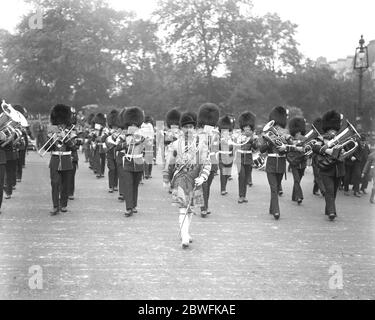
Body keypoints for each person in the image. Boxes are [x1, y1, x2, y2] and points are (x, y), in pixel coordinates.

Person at [163, 111, 211, 249]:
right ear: (181, 128)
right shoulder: (175, 144)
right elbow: (169, 163)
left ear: (194, 128)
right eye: (185, 127)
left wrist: (203, 177)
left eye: (191, 127)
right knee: (183, 209)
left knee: (190, 209)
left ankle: (186, 232)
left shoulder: (201, 144)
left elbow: (206, 162)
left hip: (195, 179)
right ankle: (184, 236)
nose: (188, 129)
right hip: (180, 178)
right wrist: (166, 179)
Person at [259, 106, 301, 220]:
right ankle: (276, 211)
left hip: (281, 164)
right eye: (274, 125)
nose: (276, 127)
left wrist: (285, 147)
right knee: (273, 188)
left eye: (277, 125)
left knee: (277, 188)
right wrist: (268, 142)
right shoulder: (267, 134)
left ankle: (272, 208)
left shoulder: (286, 134)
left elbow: (293, 148)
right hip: (271, 163)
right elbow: (261, 149)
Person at [311, 110, 346, 221]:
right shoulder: (321, 138)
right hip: (326, 169)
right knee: (329, 190)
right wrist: (327, 150)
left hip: (338, 169)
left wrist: (344, 152)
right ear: (327, 127)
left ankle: (328, 209)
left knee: (334, 191)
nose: (333, 132)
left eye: (334, 129)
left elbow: (345, 151)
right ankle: (332, 212)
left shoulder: (340, 139)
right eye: (331, 129)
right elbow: (315, 147)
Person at [115, 107, 146, 217]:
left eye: (135, 124)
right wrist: (125, 143)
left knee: (135, 185)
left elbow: (145, 146)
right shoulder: (123, 135)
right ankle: (128, 208)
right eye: (131, 124)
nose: (133, 126)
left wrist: (138, 138)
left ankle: (134, 205)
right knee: (128, 185)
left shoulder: (142, 135)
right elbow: (116, 147)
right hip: (127, 162)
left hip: (138, 162)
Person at [46, 104, 74, 215]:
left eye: (62, 123)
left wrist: (65, 137)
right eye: (59, 123)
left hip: (67, 159)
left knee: (65, 184)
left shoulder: (71, 131)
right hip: (55, 159)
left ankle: (63, 204)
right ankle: (55, 206)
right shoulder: (52, 131)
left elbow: (74, 147)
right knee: (55, 183)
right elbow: (46, 147)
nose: (60, 125)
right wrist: (52, 139)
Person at [196, 103, 220, 217]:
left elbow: (216, 148)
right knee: (203, 184)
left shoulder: (216, 133)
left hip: (212, 161)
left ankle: (204, 205)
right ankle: (203, 208)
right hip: (201, 161)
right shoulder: (198, 132)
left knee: (207, 185)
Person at [234, 111, 258, 204]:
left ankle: (244, 196)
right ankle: (240, 196)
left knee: (246, 177)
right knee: (241, 176)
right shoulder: (238, 135)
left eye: (249, 126)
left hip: (248, 157)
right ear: (243, 126)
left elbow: (256, 148)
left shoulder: (253, 136)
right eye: (245, 126)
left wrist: (254, 141)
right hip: (240, 157)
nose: (247, 128)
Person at [287, 117, 307, 205]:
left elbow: (307, 150)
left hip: (302, 163)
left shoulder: (304, 139)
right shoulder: (290, 139)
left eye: (300, 132)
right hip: (294, 163)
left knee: (298, 180)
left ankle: (293, 196)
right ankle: (299, 196)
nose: (298, 134)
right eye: (297, 132)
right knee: (297, 180)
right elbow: (288, 151)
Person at [217, 115, 234, 195]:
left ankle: (224, 187)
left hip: (230, 157)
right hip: (221, 157)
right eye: (223, 131)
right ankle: (222, 189)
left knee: (227, 174)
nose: (225, 132)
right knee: (223, 172)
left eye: (227, 130)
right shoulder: (218, 139)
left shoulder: (232, 138)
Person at [105, 110, 120, 193]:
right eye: (113, 126)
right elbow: (103, 139)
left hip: (117, 154)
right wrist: (109, 134)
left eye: (116, 126)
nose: (115, 127)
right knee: (112, 169)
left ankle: (115, 185)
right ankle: (111, 186)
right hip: (110, 153)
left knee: (117, 169)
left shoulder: (120, 132)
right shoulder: (108, 131)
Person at [311, 118, 326, 197]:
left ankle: (315, 189)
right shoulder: (315, 137)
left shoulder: (323, 137)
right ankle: (323, 191)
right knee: (318, 175)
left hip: (322, 158)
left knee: (319, 175)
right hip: (315, 157)